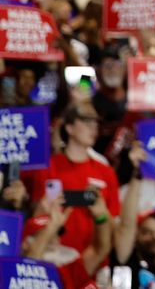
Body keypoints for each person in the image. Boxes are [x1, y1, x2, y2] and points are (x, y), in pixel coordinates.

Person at [32, 102, 121, 258]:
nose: (94, 127)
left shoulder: (106, 172)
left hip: (93, 260)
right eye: (87, 121)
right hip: (54, 257)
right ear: (69, 127)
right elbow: (34, 221)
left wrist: (101, 213)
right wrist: (44, 207)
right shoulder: (47, 167)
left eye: (96, 122)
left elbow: (115, 228)